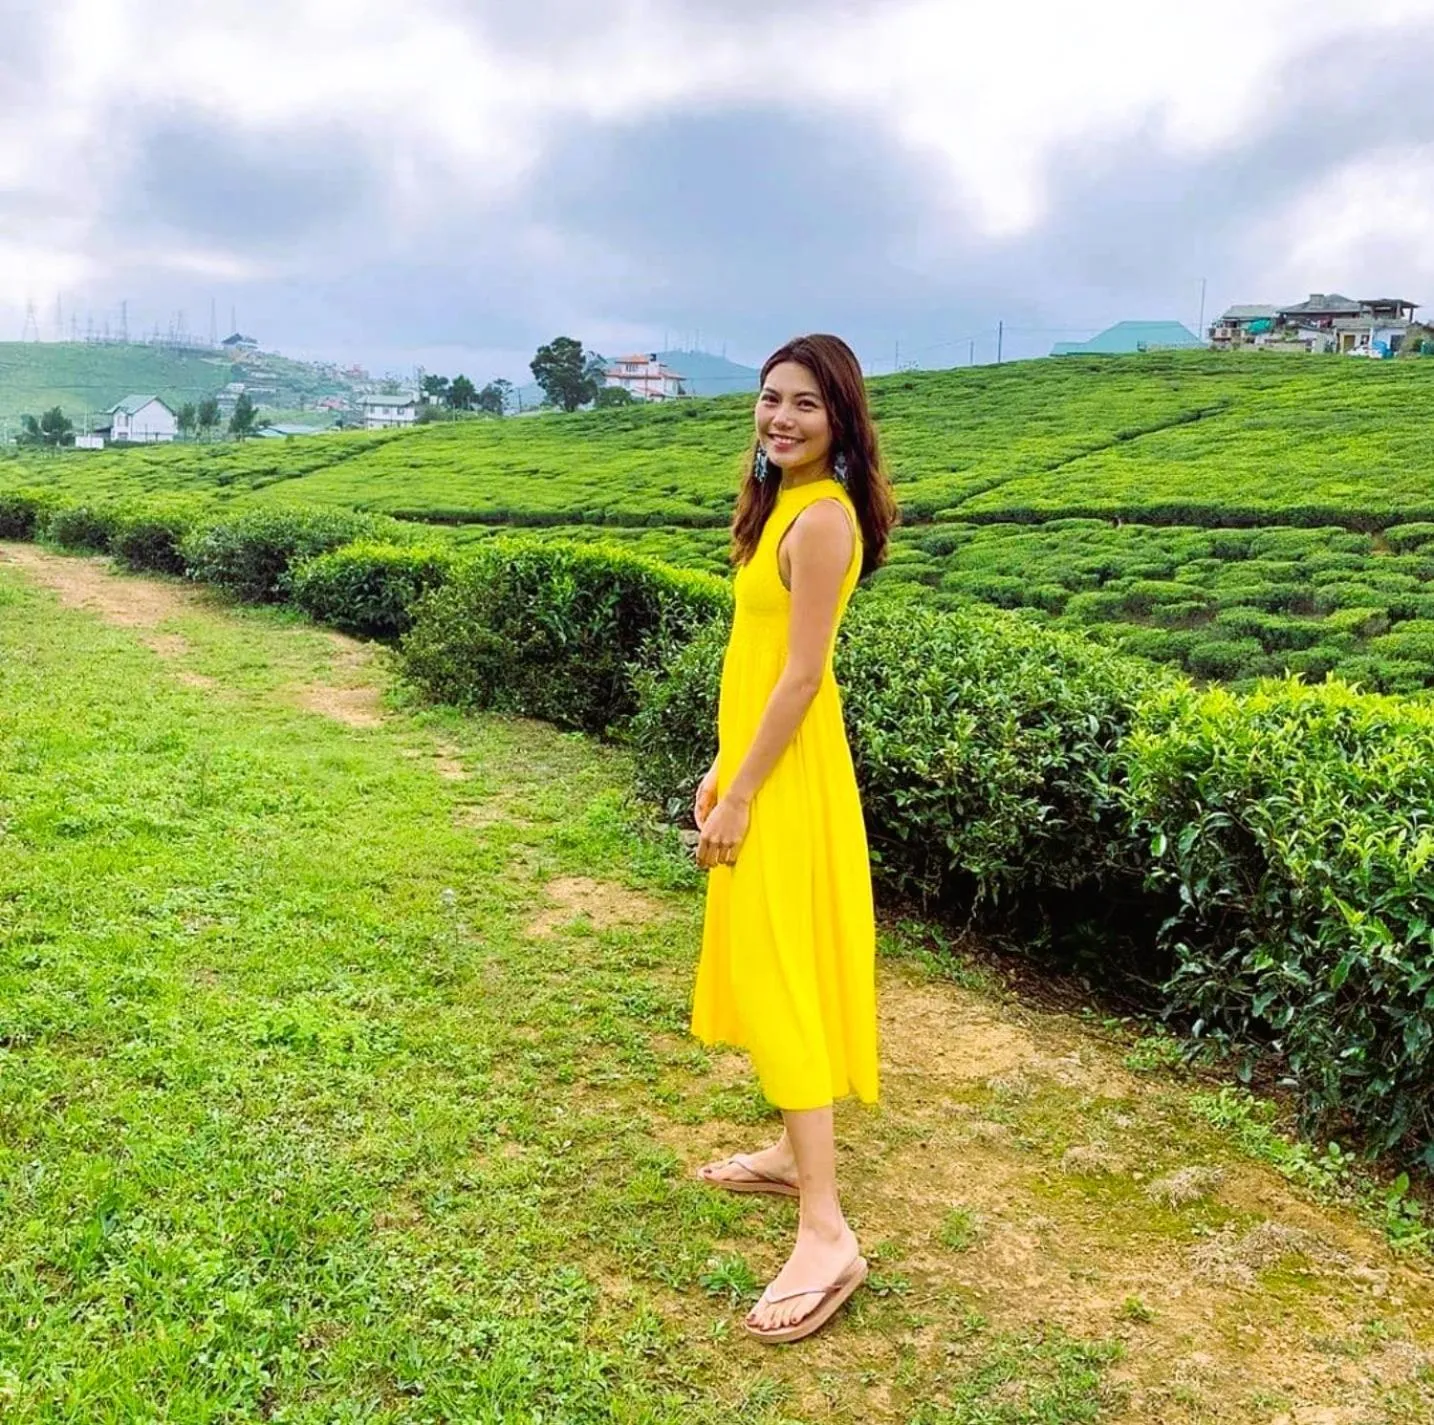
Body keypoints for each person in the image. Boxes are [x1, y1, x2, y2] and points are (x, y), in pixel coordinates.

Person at [689, 333, 898, 1344]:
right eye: (769, 399)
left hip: (792, 779)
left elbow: (803, 677)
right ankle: (789, 1156)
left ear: (840, 420)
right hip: (764, 765)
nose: (779, 418)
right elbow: (757, 657)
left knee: (781, 970)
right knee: (770, 958)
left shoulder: (822, 522)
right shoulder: (778, 506)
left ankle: (827, 1231)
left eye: (804, 404)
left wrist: (743, 795)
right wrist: (722, 768)